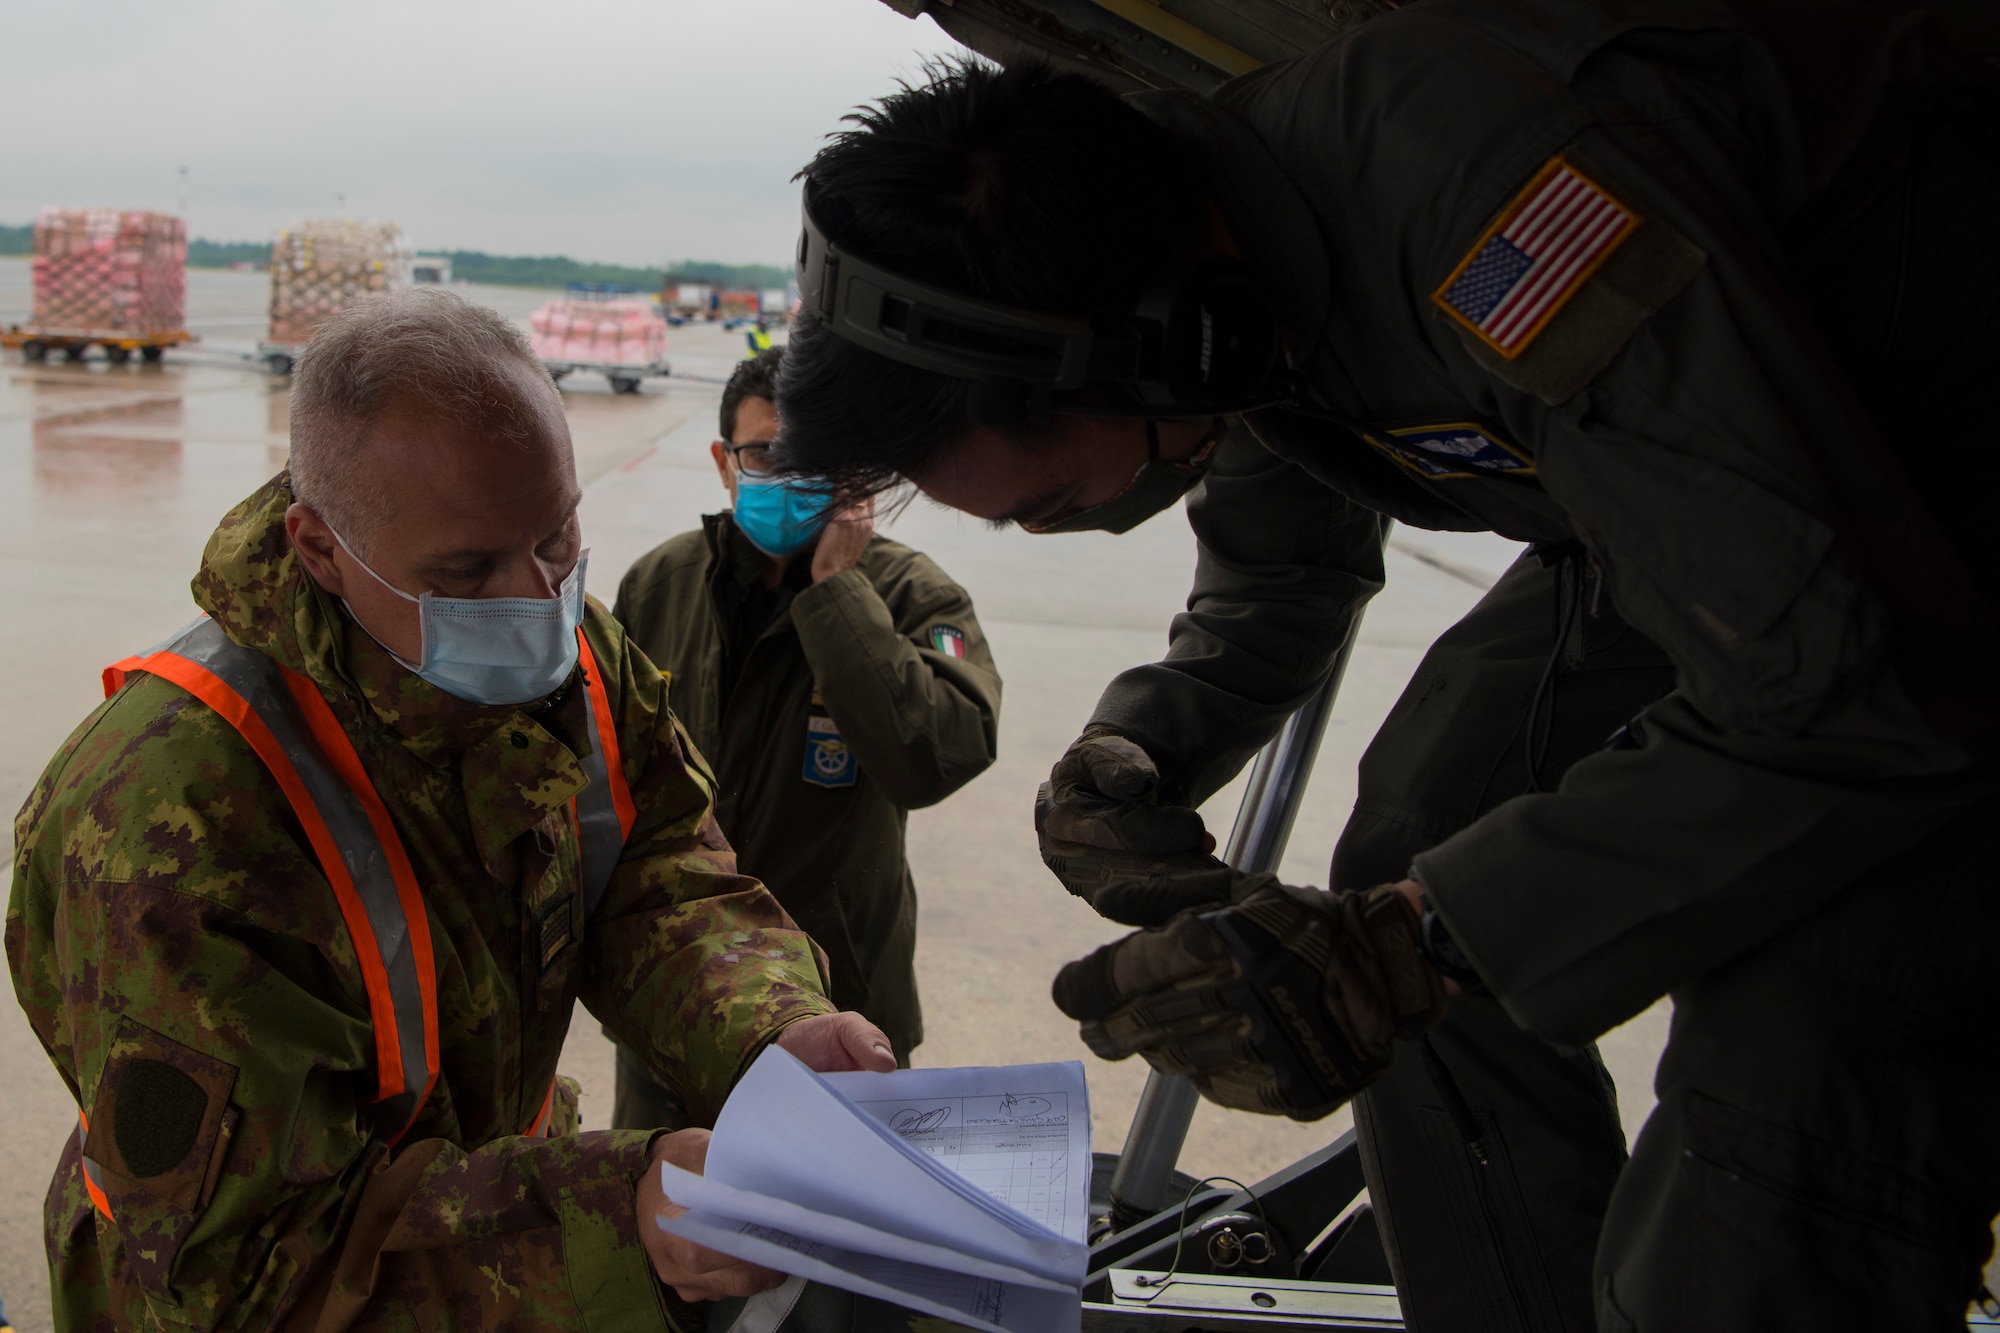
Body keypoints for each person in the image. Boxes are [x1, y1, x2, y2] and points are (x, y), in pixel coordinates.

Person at [767, 7, 2000, 1329]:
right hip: (1734, 525)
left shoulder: (1490, 210)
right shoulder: (1211, 289)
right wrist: (1146, 749)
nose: (1066, 520)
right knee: (1409, 851)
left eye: (1058, 499)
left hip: (1917, 542)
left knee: (1783, 1114)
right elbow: (1280, 577)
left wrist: (1422, 941)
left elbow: (1846, 689)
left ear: (1148, 340)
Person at [6, 289, 894, 1329]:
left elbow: (657, 878)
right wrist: (620, 1216)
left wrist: (768, 1031)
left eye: (556, 534)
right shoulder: (179, 815)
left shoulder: (575, 661)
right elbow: (249, 1275)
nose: (536, 597)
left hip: (492, 1248)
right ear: (319, 548)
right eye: (467, 570)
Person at [607, 347, 1000, 1131]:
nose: (788, 473)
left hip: (841, 997)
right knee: (665, 1226)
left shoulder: (912, 593)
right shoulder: (659, 584)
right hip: (676, 988)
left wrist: (838, 592)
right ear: (725, 463)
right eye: (763, 454)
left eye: (813, 456)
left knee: (840, 1231)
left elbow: (934, 756)